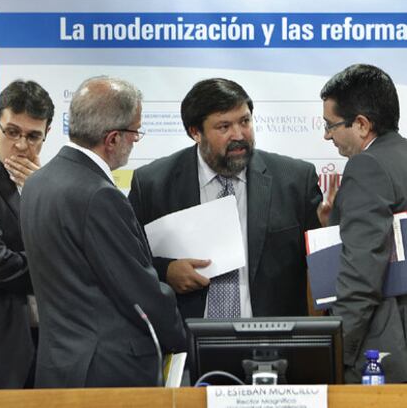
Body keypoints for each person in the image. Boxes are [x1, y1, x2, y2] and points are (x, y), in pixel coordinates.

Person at [20, 76, 186, 388]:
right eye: (135, 133)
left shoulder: (37, 183)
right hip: (106, 374)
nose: (135, 141)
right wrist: (186, 340)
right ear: (112, 139)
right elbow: (140, 292)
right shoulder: (99, 195)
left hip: (58, 367)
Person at [129, 78, 322, 321]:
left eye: (245, 121)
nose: (239, 135)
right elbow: (128, 261)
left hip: (272, 342)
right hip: (188, 339)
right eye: (224, 127)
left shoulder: (295, 180)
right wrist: (165, 271)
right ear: (195, 132)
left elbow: (321, 268)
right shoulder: (153, 184)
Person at [321, 64, 407, 383]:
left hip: (384, 355)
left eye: (331, 125)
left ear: (361, 124)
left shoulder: (366, 166)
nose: (327, 135)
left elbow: (361, 275)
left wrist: (335, 353)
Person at [0, 80, 54, 388]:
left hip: (51, 343)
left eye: (33, 136)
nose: (20, 145)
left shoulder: (48, 186)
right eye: (12, 132)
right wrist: (60, 266)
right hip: (2, 346)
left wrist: (39, 195)